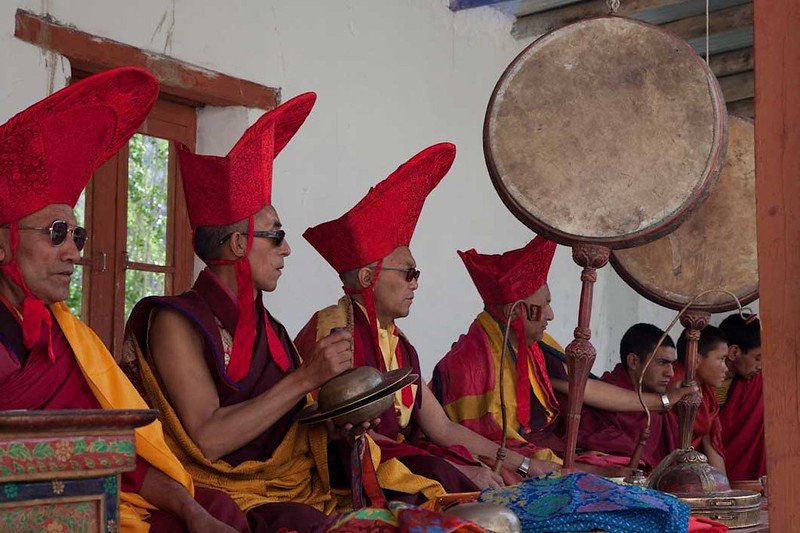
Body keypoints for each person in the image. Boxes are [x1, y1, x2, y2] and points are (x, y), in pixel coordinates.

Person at [123, 94, 441, 533]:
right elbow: (208, 440)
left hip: (293, 486)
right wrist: (306, 378)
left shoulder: (269, 328)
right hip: (230, 494)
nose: (287, 248)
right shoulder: (177, 322)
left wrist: (340, 423)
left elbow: (290, 428)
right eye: (277, 237)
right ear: (238, 245)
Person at [0, 67, 247, 532]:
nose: (74, 251)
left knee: (214, 510)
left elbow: (120, 452)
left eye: (77, 234)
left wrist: (192, 512)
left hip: (86, 493)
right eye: (57, 234)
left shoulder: (65, 338)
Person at [296, 143, 558, 491]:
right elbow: (349, 436)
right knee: (467, 481)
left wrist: (525, 464)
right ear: (366, 278)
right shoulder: (334, 331)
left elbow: (444, 429)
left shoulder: (398, 344)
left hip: (396, 457)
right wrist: (449, 472)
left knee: (500, 477)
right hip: (352, 472)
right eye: (409, 273)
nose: (416, 283)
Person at [432, 238, 692, 468]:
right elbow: (483, 438)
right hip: (504, 457)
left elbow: (581, 386)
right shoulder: (470, 362)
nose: (551, 315)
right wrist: (663, 402)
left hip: (539, 446)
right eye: (544, 305)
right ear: (518, 310)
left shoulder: (534, 346)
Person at [576, 323, 679, 470]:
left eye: (672, 364)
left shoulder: (658, 404)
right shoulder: (600, 398)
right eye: (662, 363)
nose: (670, 373)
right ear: (633, 361)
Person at [671, 325, 729, 472]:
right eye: (721, 359)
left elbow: (710, 441)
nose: (726, 368)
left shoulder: (706, 391)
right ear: (695, 359)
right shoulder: (674, 386)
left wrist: (723, 491)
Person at [717, 313, 765, 481]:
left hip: (750, 481)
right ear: (734, 351)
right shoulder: (704, 382)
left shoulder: (755, 384)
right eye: (757, 358)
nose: (760, 366)